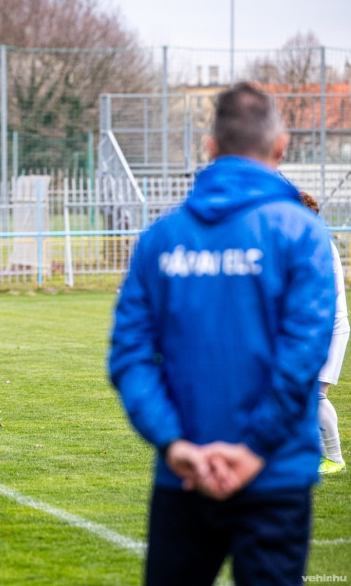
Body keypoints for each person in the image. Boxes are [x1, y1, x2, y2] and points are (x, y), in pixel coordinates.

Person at [108, 82, 336, 586]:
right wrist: (254, 450)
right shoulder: (303, 234)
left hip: (184, 475)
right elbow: (304, 355)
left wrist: (175, 445)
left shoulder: (160, 239)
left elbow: (129, 357)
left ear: (210, 148)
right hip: (274, 476)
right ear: (281, 145)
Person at [299, 190, 348, 475]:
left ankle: (335, 458)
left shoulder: (318, 244)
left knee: (315, 393)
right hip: (315, 328)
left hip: (329, 329)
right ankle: (316, 456)